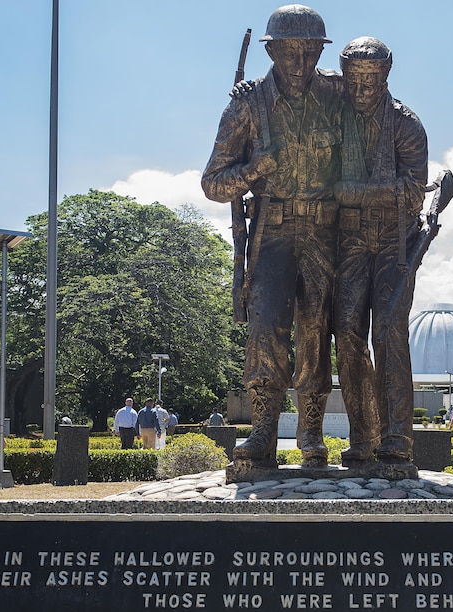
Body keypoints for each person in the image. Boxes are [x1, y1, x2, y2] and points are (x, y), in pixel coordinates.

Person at [202, 4, 343, 468]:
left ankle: (311, 432)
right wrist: (254, 169)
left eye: (307, 53)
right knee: (265, 332)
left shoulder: (339, 100)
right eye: (288, 53)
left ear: (319, 52)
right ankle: (263, 430)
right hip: (272, 232)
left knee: (316, 330)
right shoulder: (247, 105)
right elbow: (213, 183)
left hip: (325, 232)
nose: (299, 64)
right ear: (273, 51)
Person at [332, 37, 429, 466]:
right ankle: (362, 435)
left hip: (394, 242)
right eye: (354, 80)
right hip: (349, 242)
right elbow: (297, 80)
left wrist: (353, 193)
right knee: (347, 335)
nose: (363, 89)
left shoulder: (407, 125)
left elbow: (412, 195)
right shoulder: (334, 119)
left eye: (371, 80)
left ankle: (397, 437)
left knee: (388, 333)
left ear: (386, 75)